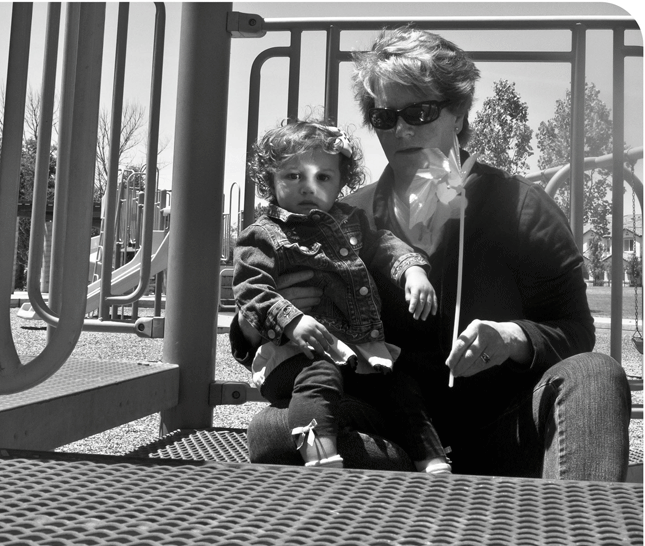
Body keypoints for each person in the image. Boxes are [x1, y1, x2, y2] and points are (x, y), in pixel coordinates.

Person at [231, 26, 631, 481]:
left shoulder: (520, 207)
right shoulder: (344, 218)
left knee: (595, 376)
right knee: (273, 430)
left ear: (458, 114)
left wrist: (512, 337)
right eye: (385, 117)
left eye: (420, 112)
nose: (402, 130)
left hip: (503, 428)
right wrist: (254, 323)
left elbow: (575, 330)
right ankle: (420, 482)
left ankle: (573, 525)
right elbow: (259, 324)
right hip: (395, 427)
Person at [234, 120, 451, 473]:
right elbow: (251, 288)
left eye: (323, 177)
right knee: (319, 376)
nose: (308, 186)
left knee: (400, 386)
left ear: (340, 182)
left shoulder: (352, 221)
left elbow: (384, 246)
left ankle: (432, 459)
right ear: (270, 179)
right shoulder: (264, 235)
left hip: (355, 351)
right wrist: (290, 320)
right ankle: (320, 455)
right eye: (293, 176)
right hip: (295, 354)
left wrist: (412, 269)